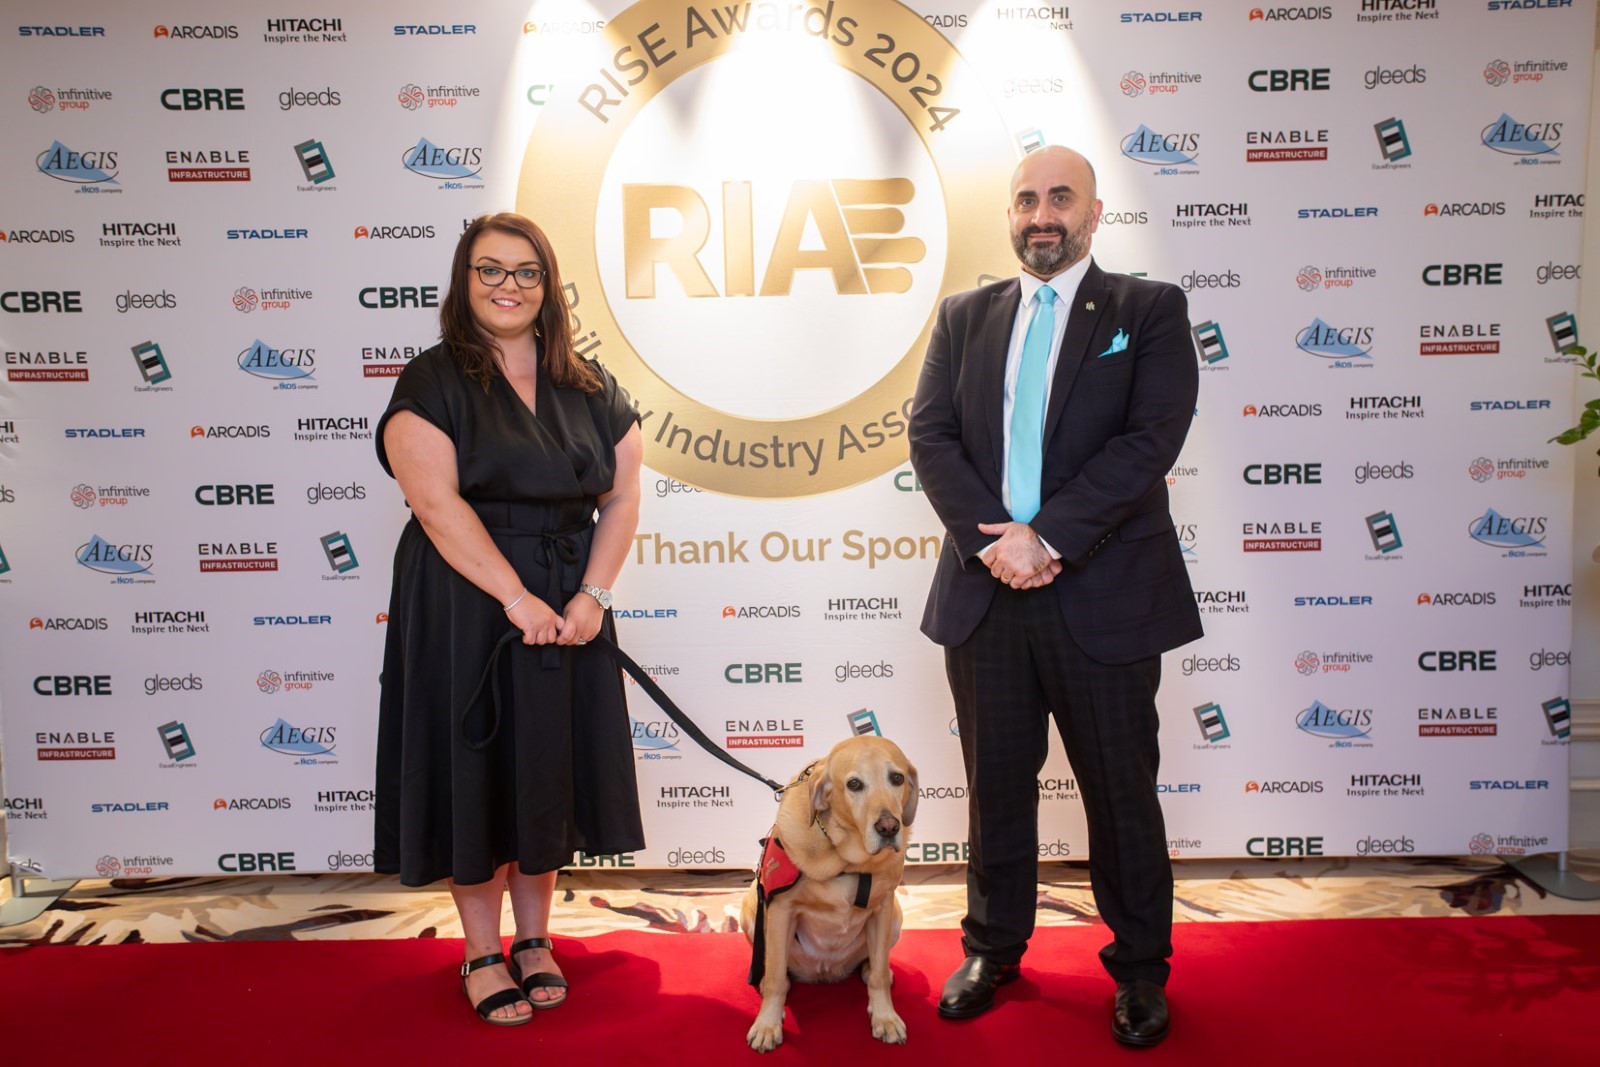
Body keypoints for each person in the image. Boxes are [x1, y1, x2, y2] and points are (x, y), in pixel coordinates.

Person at [908, 146, 1202, 1047]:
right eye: (1028, 199)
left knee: (1121, 790)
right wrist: (997, 543)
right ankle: (993, 948)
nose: (1043, 214)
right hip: (987, 594)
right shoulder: (964, 316)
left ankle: (1142, 968)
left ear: (1094, 212)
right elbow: (931, 434)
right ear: (1009, 214)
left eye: (1060, 198)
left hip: (1104, 595)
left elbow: (1150, 439)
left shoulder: (1148, 310)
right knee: (996, 786)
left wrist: (1050, 537)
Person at [374, 212, 646, 1026]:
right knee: (476, 770)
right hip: (466, 603)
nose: (508, 286)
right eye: (489, 269)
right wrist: (515, 599)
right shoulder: (430, 380)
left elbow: (624, 492)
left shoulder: (589, 382)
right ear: (464, 282)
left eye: (526, 271)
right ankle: (482, 950)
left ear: (548, 285)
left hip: (568, 601)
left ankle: (536, 939)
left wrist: (590, 595)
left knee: (544, 769)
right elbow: (433, 501)